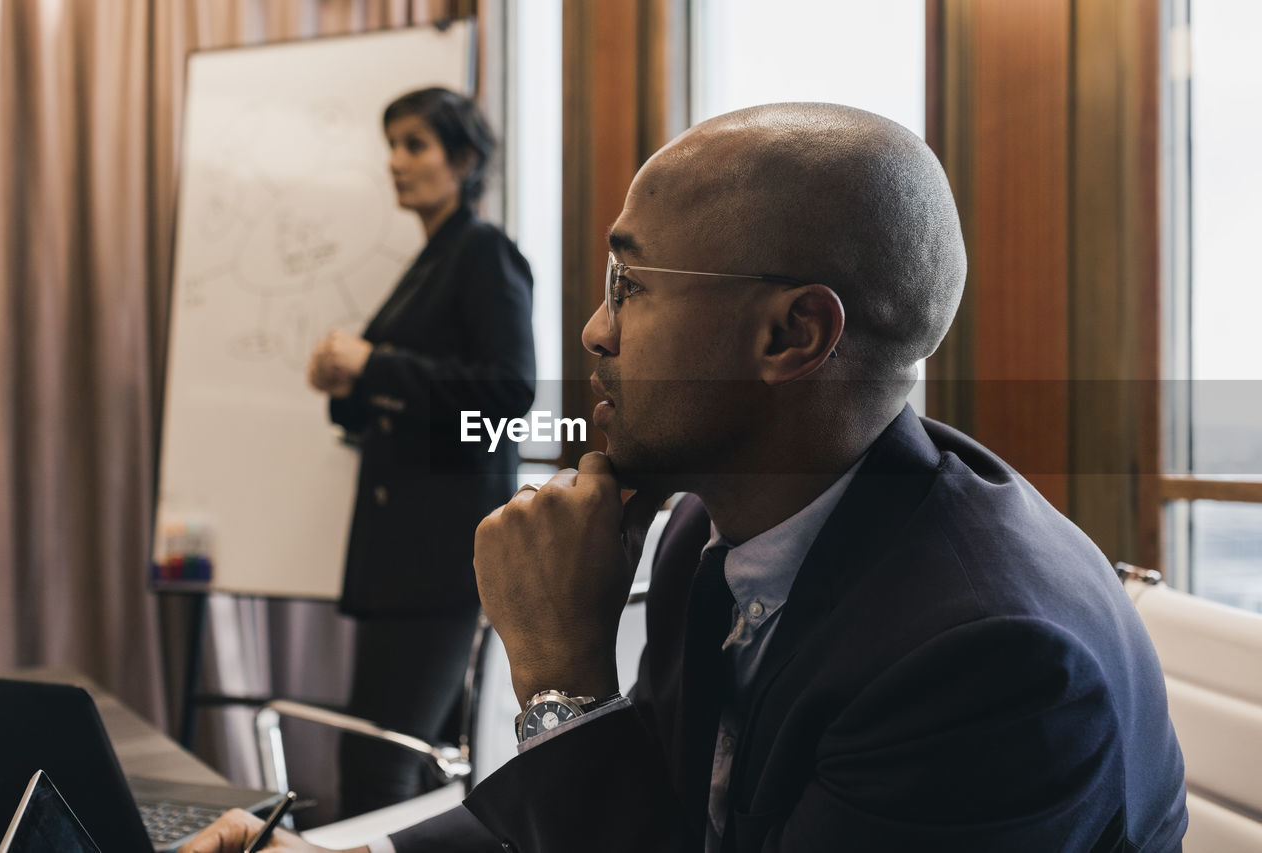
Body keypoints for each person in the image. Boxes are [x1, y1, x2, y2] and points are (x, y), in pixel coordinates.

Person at [184, 103, 1186, 852]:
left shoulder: (989, 665)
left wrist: (563, 683)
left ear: (792, 334)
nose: (592, 328)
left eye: (631, 285)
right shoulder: (707, 529)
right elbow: (653, 805)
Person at [305, 87, 535, 817]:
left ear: (463, 160)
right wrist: (349, 383)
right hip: (407, 555)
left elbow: (509, 390)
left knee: (378, 762)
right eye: (393, 145)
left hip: (436, 556)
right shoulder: (433, 258)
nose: (396, 162)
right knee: (420, 763)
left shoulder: (481, 250)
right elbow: (415, 398)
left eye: (415, 145)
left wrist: (372, 365)